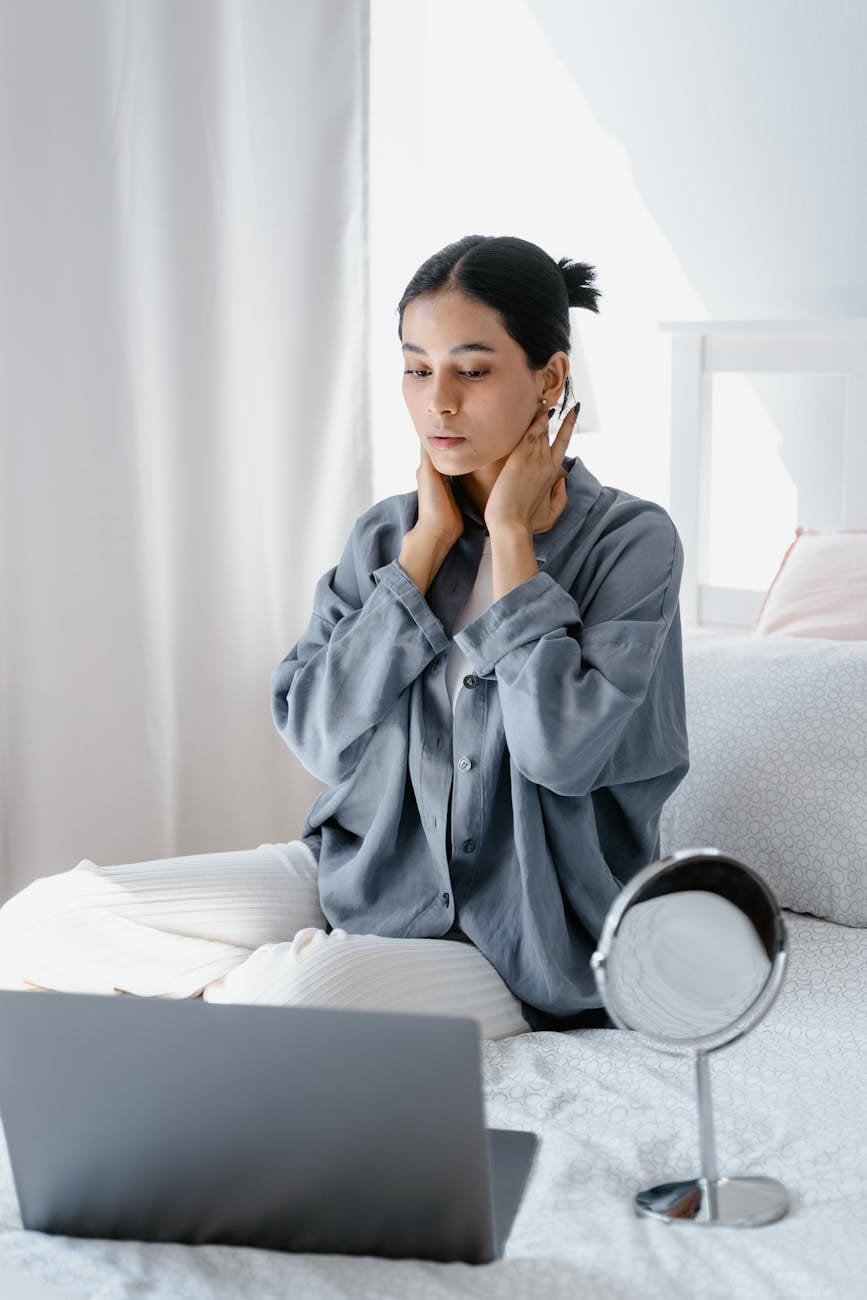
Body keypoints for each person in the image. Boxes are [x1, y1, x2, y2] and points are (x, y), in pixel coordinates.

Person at [0, 234, 689, 1037]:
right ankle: (266, 1007)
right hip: (366, 873)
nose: (438, 402)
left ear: (550, 377)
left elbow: (558, 753)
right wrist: (423, 552)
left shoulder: (632, 543)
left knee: (293, 1000)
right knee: (43, 919)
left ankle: (262, 1010)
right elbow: (321, 739)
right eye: (416, 368)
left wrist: (511, 542)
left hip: (524, 932)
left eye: (471, 370)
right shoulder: (388, 534)